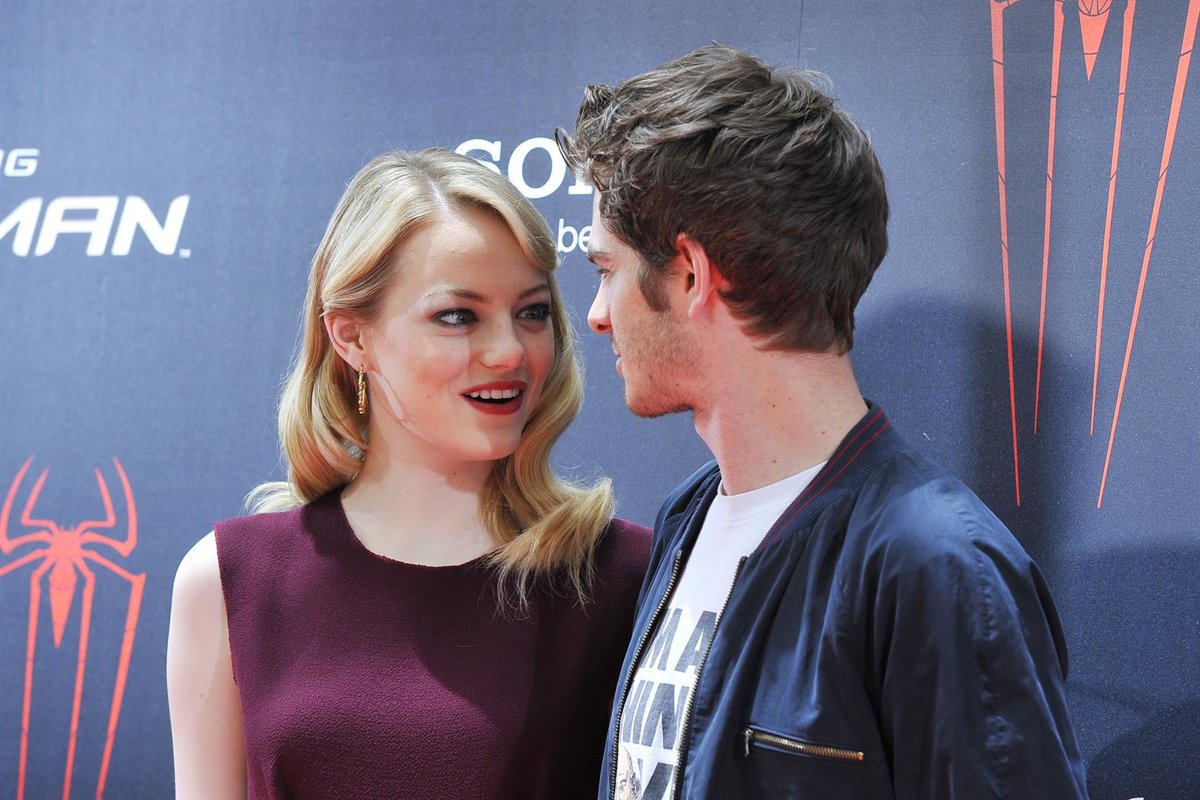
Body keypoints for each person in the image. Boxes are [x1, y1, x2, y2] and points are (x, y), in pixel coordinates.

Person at [557, 45, 1088, 799]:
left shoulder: (935, 565)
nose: (596, 314)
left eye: (607, 271)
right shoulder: (688, 516)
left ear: (691, 274)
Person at [166, 148, 650, 800]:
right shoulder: (230, 578)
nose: (509, 351)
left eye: (531, 312)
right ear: (351, 338)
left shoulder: (623, 575)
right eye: (458, 316)